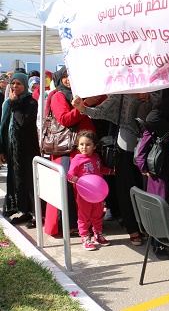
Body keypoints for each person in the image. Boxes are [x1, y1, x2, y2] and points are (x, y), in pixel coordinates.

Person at [72, 92, 160, 245]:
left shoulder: (154, 89)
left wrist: (151, 98)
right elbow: (99, 112)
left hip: (151, 145)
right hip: (126, 145)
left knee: (148, 188)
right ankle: (132, 229)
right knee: (126, 187)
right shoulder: (120, 92)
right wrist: (82, 108)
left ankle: (148, 227)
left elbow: (162, 107)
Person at [44, 66, 95, 237]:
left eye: (71, 76)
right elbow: (65, 119)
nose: (67, 80)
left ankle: (85, 223)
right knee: (69, 185)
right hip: (67, 149)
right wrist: (85, 107)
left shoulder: (82, 93)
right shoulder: (58, 95)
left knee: (84, 187)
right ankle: (70, 224)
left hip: (83, 147)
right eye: (64, 77)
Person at [0, 73, 41, 227]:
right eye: (13, 83)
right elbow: (3, 126)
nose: (15, 86)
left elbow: (22, 121)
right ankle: (23, 210)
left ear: (25, 85)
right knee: (17, 181)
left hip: (28, 150)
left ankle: (35, 215)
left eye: (18, 83)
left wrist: (14, 104)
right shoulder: (7, 103)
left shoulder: (30, 102)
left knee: (29, 183)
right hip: (13, 150)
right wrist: (2, 149)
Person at [68, 131, 113, 251]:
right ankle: (85, 237)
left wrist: (110, 171)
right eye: (81, 144)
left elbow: (100, 169)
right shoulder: (77, 159)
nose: (84, 147)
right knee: (84, 217)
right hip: (84, 195)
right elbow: (69, 174)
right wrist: (73, 179)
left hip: (98, 195)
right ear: (78, 146)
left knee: (97, 215)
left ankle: (98, 234)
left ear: (94, 146)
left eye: (88, 144)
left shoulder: (96, 157)